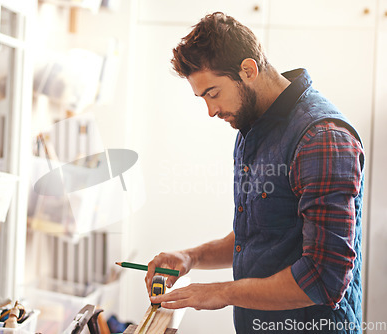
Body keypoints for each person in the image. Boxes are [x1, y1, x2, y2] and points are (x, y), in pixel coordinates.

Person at [145, 12, 364, 333]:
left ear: (248, 70)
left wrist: (219, 292)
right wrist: (191, 257)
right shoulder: (252, 129)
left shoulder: (322, 137)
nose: (211, 110)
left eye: (213, 93)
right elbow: (261, 234)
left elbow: (323, 278)